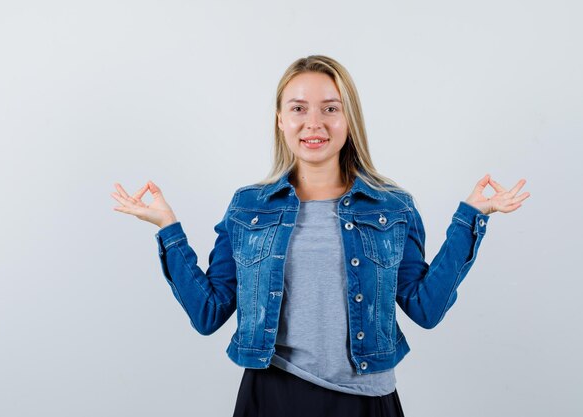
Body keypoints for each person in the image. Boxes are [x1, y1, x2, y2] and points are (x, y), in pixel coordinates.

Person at [111, 55, 530, 417]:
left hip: (366, 401)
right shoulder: (247, 206)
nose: (314, 123)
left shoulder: (392, 207)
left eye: (330, 109)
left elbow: (425, 308)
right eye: (298, 108)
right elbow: (209, 313)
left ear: (349, 119)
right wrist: (168, 229)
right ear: (280, 118)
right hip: (272, 395)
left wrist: (470, 218)